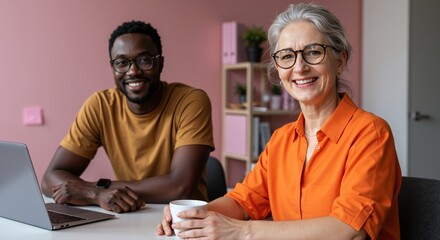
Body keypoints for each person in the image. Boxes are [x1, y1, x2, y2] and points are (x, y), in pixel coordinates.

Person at [157, 3, 401, 240]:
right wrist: (194, 215)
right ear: (279, 70)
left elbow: (349, 230)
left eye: (313, 52)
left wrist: (241, 232)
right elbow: (243, 200)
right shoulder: (281, 139)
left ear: (340, 61)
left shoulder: (371, 133)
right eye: (286, 57)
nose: (300, 67)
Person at [41, 21, 215, 213]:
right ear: (113, 68)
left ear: (160, 63)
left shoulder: (190, 101)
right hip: (128, 215)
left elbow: (180, 187)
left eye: (144, 60)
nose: (133, 71)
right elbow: (50, 178)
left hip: (184, 221)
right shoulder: (100, 105)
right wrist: (96, 195)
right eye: (122, 63)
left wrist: (95, 190)